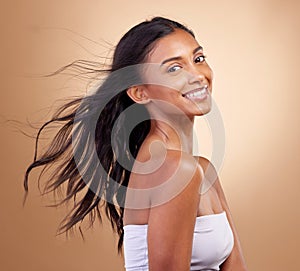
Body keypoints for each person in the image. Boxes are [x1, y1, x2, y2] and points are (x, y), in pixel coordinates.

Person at [24, 17, 248, 271]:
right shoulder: (175, 170)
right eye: (174, 69)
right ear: (140, 92)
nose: (197, 75)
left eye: (197, 59)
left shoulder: (201, 169)